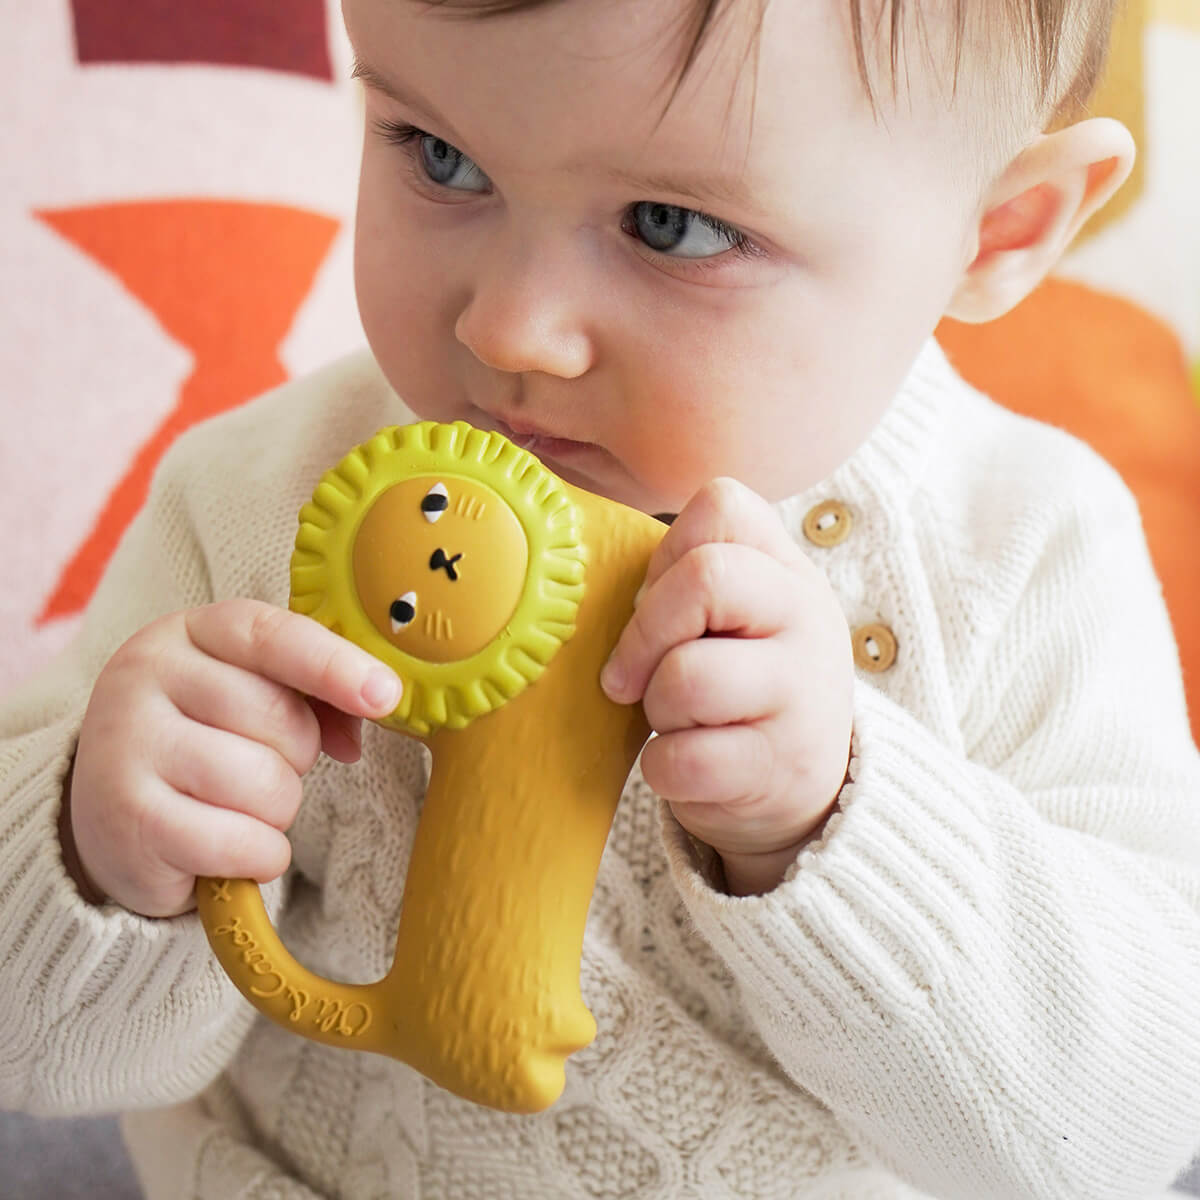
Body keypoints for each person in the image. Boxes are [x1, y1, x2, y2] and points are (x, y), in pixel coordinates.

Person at [2, 0, 1199, 1195]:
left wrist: (835, 816)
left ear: (995, 230)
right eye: (441, 156)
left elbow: (1122, 1135)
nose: (509, 329)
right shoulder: (259, 502)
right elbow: (36, 1056)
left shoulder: (1025, 547)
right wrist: (102, 855)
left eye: (673, 227)